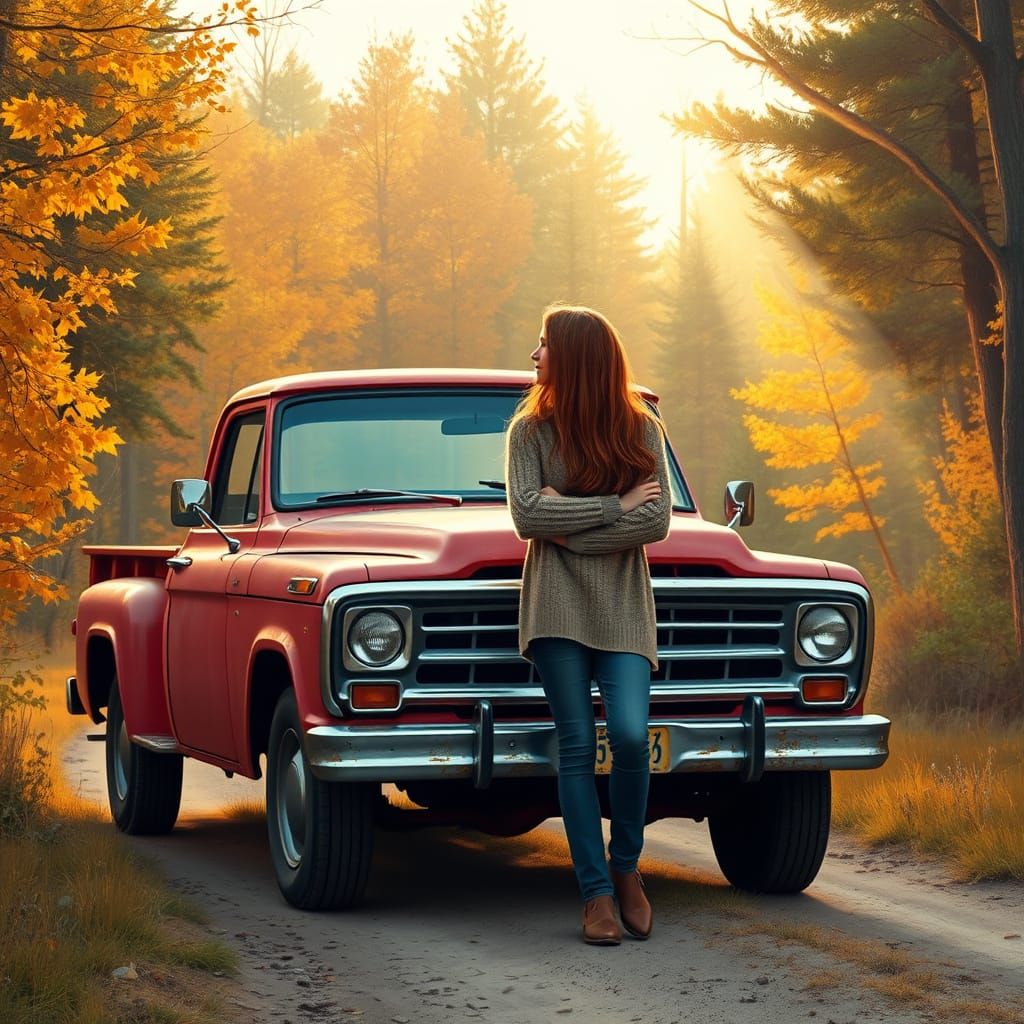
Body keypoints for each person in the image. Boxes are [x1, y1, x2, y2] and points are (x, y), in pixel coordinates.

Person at [504, 304, 672, 945]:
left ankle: (627, 869)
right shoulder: (529, 432)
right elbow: (526, 517)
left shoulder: (640, 427)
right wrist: (613, 504)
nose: (534, 355)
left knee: (630, 737)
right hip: (555, 608)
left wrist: (568, 525)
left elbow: (653, 524)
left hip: (624, 608)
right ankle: (595, 894)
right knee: (576, 746)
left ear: (575, 358)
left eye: (544, 344)